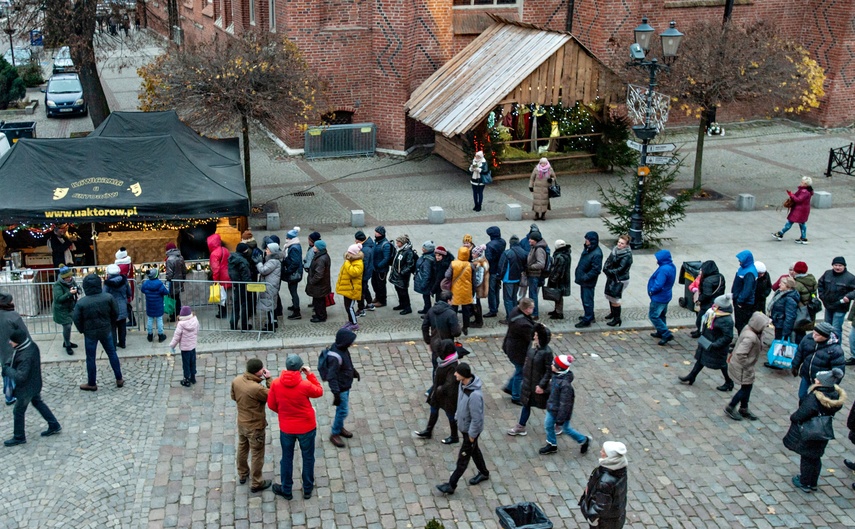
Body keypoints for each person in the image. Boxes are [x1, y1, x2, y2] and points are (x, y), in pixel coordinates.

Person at [268, 353, 324, 501]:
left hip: (287, 428)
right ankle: (307, 488)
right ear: (300, 369)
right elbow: (319, 391)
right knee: (307, 457)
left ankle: (286, 489)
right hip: (306, 427)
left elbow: (271, 405)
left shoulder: (276, 383)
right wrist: (310, 375)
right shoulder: (305, 385)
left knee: (286, 458)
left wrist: (284, 414)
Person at [783, 368, 846, 492]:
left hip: (811, 431)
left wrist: (793, 418)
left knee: (806, 457)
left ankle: (804, 482)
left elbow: (801, 414)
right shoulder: (835, 397)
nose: (815, 379)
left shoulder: (814, 398)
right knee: (816, 457)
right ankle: (813, 482)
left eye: (818, 379)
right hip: (824, 431)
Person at [435, 362, 490, 494]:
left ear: (464, 376)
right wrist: (456, 416)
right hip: (464, 427)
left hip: (470, 432)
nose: (455, 374)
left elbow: (477, 419)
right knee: (474, 450)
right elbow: (460, 404)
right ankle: (484, 472)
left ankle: (451, 484)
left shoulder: (475, 396)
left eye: (457, 373)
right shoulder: (462, 385)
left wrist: (471, 436)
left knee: (463, 459)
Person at [2, 328, 61, 446]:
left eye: (12, 341)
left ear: (18, 342)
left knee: (18, 411)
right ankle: (54, 424)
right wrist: (10, 364)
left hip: (26, 389)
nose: (9, 342)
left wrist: (8, 370)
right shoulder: (30, 346)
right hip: (34, 384)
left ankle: (19, 437)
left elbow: (21, 376)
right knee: (38, 402)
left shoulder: (25, 356)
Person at [72, 273, 123, 391]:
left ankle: (92, 383)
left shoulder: (82, 302)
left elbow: (76, 319)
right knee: (112, 353)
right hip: (105, 329)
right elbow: (115, 312)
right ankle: (119, 378)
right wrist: (110, 323)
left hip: (90, 332)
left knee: (90, 358)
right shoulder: (108, 297)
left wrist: (82, 330)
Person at [230, 358, 273, 493]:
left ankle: (242, 474)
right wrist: (269, 379)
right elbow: (271, 396)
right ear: (258, 371)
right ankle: (256, 482)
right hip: (255, 426)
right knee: (257, 453)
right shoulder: (256, 388)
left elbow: (233, 397)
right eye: (262, 369)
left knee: (242, 447)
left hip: (242, 422)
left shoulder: (236, 380)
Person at [679, 294, 734, 391]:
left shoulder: (726, 320)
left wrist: (715, 345)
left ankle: (729, 382)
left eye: (715, 305)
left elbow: (728, 337)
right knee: (701, 359)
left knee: (721, 364)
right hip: (707, 341)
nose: (713, 305)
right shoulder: (713, 313)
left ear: (720, 307)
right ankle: (692, 376)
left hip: (715, 346)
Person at [725, 312, 772, 421]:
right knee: (746, 388)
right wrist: (747, 365)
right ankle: (731, 406)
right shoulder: (750, 337)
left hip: (743, 366)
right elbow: (741, 353)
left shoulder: (749, 329)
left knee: (747, 386)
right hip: (742, 367)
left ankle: (743, 408)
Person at [507, 324, 553, 436]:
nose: (534, 336)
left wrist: (542, 385)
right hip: (528, 383)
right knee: (526, 404)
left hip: (538, 385)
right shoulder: (532, 347)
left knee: (548, 406)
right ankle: (521, 426)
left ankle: (558, 423)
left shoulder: (547, 352)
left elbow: (548, 371)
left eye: (537, 335)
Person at [540, 354, 590, 455]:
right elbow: (553, 389)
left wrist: (560, 420)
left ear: (558, 368)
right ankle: (552, 444)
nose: (551, 365)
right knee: (548, 425)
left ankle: (583, 440)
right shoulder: (557, 376)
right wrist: (545, 391)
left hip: (559, 412)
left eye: (553, 364)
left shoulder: (565, 386)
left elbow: (565, 404)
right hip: (552, 407)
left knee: (566, 429)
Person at [414, 339, 460, 444]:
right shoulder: (445, 361)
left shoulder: (452, 365)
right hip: (438, 391)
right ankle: (428, 431)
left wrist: (440, 389)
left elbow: (450, 383)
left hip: (448, 395)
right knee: (434, 409)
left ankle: (454, 436)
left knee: (450, 415)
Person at [578, 441, 629, 529]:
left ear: (609, 456)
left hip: (604, 522)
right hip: (615, 517)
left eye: (603, 451)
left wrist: (592, 517)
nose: (600, 452)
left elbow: (601, 506)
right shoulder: (620, 468)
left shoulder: (605, 482)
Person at [791, 322, 845, 400]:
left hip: (821, 382)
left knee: (815, 399)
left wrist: (830, 386)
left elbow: (838, 371)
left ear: (825, 336)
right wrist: (795, 366)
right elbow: (800, 353)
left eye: (817, 335)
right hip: (806, 375)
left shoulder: (835, 351)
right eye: (814, 333)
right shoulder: (807, 339)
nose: (813, 336)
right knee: (802, 395)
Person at [422, 291, 462, 396]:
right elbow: (456, 332)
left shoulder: (431, 311)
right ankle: (440, 389)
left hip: (435, 343)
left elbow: (424, 326)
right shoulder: (451, 314)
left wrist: (428, 340)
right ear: (448, 300)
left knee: (436, 367)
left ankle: (435, 387)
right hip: (447, 345)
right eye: (452, 299)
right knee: (449, 367)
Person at [326, 328, 359, 448]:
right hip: (341, 388)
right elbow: (331, 376)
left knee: (341, 410)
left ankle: (339, 427)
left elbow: (347, 362)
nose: (352, 343)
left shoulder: (343, 349)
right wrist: (336, 393)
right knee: (343, 410)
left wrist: (353, 371)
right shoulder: (335, 357)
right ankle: (335, 433)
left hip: (345, 384)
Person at [502, 297, 536, 405]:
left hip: (511, 347)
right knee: (520, 373)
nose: (533, 310)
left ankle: (509, 387)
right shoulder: (523, 324)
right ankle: (516, 396)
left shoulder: (515, 311)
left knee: (518, 370)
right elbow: (530, 337)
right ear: (527, 309)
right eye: (532, 308)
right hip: (518, 352)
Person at [818, 256, 855, 342]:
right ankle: (826, 344)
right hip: (828, 305)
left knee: (836, 329)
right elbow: (820, 284)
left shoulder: (850, 278)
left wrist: (848, 296)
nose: (837, 267)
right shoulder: (827, 274)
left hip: (840, 307)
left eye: (840, 265)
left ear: (844, 266)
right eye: (836, 265)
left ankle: (836, 347)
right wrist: (822, 296)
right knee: (826, 327)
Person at [647, 249, 677, 346]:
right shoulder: (671, 267)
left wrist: (652, 291)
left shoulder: (664, 269)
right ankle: (660, 331)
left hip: (659, 297)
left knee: (653, 316)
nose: (656, 260)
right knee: (661, 315)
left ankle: (665, 333)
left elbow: (659, 284)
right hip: (666, 295)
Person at [773, 175, 814, 244]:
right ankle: (803, 237)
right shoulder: (807, 191)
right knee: (802, 223)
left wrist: (791, 195)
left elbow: (798, 200)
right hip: (804, 209)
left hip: (799, 210)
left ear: (806, 184)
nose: (800, 183)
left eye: (802, 182)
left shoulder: (804, 192)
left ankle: (781, 233)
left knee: (790, 221)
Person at [690, 261, 726, 338]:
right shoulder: (720, 277)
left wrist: (699, 299)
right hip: (717, 302)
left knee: (700, 319)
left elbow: (706, 294)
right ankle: (702, 331)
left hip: (707, 304)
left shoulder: (707, 281)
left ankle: (702, 333)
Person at [602, 235, 631, 327]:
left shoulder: (627, 255)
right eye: (619, 242)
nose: (619, 244)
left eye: (622, 243)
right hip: (613, 276)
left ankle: (617, 318)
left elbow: (621, 268)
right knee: (610, 295)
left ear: (626, 245)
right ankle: (613, 313)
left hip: (620, 279)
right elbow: (609, 260)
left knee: (615, 297)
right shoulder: (615, 250)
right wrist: (606, 267)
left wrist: (609, 271)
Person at [575, 231, 603, 328]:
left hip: (588, 281)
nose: (585, 241)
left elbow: (596, 269)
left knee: (587, 300)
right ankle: (589, 315)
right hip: (584, 280)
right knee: (585, 299)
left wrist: (585, 277)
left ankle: (588, 319)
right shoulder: (589, 249)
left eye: (587, 239)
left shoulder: (596, 253)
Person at [498, 235, 527, 323]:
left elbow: (501, 266)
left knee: (508, 299)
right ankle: (516, 316)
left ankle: (510, 318)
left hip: (508, 279)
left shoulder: (507, 253)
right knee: (514, 298)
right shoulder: (523, 252)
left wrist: (498, 277)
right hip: (518, 278)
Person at [336, 243, 364, 332]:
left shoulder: (358, 262)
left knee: (350, 307)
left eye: (350, 252)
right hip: (347, 287)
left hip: (352, 289)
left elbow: (354, 272)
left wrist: (347, 263)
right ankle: (350, 321)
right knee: (347, 306)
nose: (348, 253)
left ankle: (354, 324)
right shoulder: (350, 261)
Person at [446, 247, 475, 335]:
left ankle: (453, 326)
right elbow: (474, 280)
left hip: (455, 289)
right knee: (466, 309)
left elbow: (447, 275)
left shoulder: (453, 264)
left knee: (453, 308)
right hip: (467, 289)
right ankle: (465, 327)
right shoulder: (471, 265)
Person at [257, 242, 283, 332]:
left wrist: (259, 263)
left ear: (272, 251)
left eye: (268, 249)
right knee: (271, 306)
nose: (266, 251)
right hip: (271, 285)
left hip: (270, 286)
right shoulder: (274, 260)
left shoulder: (273, 261)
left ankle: (271, 325)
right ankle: (273, 322)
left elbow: (263, 270)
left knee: (270, 307)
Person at [52, 266, 79, 355]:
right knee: (67, 326)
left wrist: (77, 290)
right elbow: (59, 298)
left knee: (69, 324)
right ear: (63, 277)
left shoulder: (71, 281)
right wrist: (69, 293)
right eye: (68, 277)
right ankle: (67, 345)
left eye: (70, 276)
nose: (70, 278)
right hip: (61, 309)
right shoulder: (57, 285)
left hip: (70, 307)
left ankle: (66, 341)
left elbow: (76, 287)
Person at [169, 306, 199, 387]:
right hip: (193, 347)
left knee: (186, 363)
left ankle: (187, 379)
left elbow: (176, 337)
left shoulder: (181, 324)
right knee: (193, 362)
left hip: (185, 348)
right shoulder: (195, 320)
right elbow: (197, 331)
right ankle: (193, 377)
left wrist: (172, 346)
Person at [103, 264, 130, 349]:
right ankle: (123, 343)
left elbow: (104, 295)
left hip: (111, 308)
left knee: (112, 328)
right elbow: (129, 293)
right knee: (122, 327)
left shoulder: (107, 284)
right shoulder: (124, 281)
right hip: (123, 306)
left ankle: (113, 345)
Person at [227, 243, 253, 332]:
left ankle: (233, 324)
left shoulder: (231, 259)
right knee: (244, 306)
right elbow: (246, 276)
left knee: (236, 305)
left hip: (236, 285)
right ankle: (244, 326)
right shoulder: (243, 261)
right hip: (243, 286)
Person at [732, 250, 758, 333]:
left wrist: (740, 301)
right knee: (739, 323)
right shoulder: (745, 269)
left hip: (744, 303)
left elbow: (747, 289)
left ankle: (742, 341)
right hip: (740, 301)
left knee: (742, 324)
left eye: (740, 261)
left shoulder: (749, 273)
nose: (739, 263)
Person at [390, 235, 417, 315]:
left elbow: (410, 265)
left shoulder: (408, 252)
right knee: (398, 290)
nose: (397, 243)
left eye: (398, 242)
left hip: (402, 277)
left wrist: (402, 272)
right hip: (397, 275)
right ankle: (402, 304)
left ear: (402, 243)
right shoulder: (400, 250)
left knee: (403, 292)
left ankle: (407, 307)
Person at [792, 261, 818, 345]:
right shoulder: (812, 280)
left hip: (800, 311)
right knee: (802, 330)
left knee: (797, 331)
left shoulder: (797, 284)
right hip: (809, 310)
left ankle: (799, 348)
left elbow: (793, 298)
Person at [140, 268, 169, 343]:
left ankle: (150, 335)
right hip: (158, 305)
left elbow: (142, 290)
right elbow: (166, 292)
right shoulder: (160, 284)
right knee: (159, 319)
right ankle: (160, 335)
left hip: (150, 305)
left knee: (150, 319)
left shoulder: (146, 284)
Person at [306, 240, 331, 323]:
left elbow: (319, 274)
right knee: (319, 301)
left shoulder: (320, 259)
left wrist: (311, 281)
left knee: (319, 302)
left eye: (315, 246)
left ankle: (320, 316)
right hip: (321, 285)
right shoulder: (322, 256)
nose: (314, 247)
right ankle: (320, 314)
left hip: (319, 285)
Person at [207, 234, 232, 319]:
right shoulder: (225, 250)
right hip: (228, 275)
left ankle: (222, 313)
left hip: (220, 277)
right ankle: (226, 312)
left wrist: (215, 281)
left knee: (220, 296)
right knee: (226, 295)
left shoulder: (214, 254)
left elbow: (215, 269)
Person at [525, 232, 549, 319]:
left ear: (535, 240)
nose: (529, 240)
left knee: (533, 294)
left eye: (531, 239)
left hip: (534, 275)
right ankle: (533, 312)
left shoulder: (539, 249)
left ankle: (534, 313)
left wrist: (530, 267)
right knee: (532, 294)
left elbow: (541, 264)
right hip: (533, 274)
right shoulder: (535, 247)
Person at [768, 276, 800, 341]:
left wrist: (785, 334)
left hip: (781, 326)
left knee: (779, 344)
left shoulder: (789, 299)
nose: (779, 285)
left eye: (781, 284)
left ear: (788, 286)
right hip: (777, 323)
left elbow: (790, 317)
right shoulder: (780, 293)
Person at [282, 227, 304, 320]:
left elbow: (295, 262)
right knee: (292, 290)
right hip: (295, 272)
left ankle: (296, 310)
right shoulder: (294, 245)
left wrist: (288, 271)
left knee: (293, 291)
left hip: (294, 273)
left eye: (287, 237)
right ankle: (295, 306)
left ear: (290, 238)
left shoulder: (293, 247)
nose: (286, 239)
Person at [484, 226, 506, 318]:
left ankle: (493, 309)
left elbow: (488, 259)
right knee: (497, 289)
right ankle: (496, 305)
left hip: (492, 270)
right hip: (500, 270)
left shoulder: (489, 245)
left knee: (491, 290)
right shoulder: (503, 242)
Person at [371, 226, 393, 307]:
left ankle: (382, 301)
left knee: (381, 285)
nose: (375, 233)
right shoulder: (376, 242)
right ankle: (377, 297)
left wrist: (379, 265)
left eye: (377, 232)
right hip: (374, 268)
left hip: (381, 270)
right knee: (374, 283)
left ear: (381, 234)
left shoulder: (386, 245)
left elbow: (386, 258)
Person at [355, 231, 375, 316]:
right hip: (367, 272)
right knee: (365, 288)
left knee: (360, 291)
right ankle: (370, 304)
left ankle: (361, 309)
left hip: (363, 274)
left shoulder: (365, 250)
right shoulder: (368, 245)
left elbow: (363, 264)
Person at [414, 241, 437, 315]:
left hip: (427, 282)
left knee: (426, 297)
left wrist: (423, 284)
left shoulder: (428, 260)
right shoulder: (428, 257)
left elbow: (427, 274)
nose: (422, 249)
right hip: (426, 281)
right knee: (425, 296)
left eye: (424, 248)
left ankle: (428, 311)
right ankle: (426, 309)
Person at [164, 242, 185, 323]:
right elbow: (184, 270)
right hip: (179, 281)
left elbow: (169, 273)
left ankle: (173, 315)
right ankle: (178, 314)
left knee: (172, 299)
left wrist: (167, 281)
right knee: (177, 298)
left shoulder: (169, 260)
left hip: (172, 282)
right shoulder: (180, 257)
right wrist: (183, 278)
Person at [114, 247, 135, 325]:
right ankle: (132, 320)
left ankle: (131, 320)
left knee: (125, 303)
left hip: (123, 285)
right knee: (126, 303)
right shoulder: (127, 262)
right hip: (127, 284)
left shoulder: (122, 265)